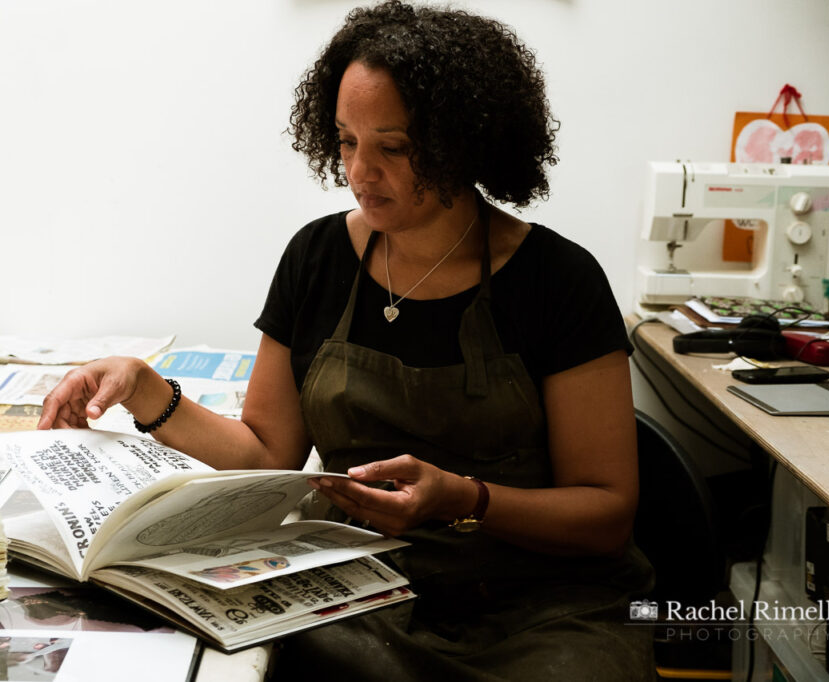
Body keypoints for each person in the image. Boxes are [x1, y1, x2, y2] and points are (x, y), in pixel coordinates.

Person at [37, 2, 655, 679]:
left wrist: (465, 498)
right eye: (345, 141)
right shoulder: (318, 257)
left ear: (463, 142)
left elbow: (605, 515)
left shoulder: (558, 279)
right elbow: (267, 451)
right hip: (369, 591)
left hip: (543, 606)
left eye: (393, 147)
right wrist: (147, 389)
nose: (361, 172)